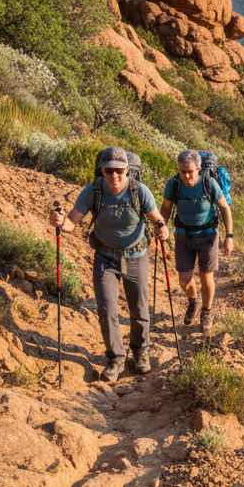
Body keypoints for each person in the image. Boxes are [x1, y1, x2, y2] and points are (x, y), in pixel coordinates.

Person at [50, 147, 168, 380]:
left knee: (139, 308)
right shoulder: (92, 191)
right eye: (109, 170)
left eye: (119, 171)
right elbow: (73, 222)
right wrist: (60, 222)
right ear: (102, 171)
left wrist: (162, 230)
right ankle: (116, 358)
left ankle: (141, 352)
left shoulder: (139, 191)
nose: (114, 176)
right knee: (106, 309)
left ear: (127, 170)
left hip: (136, 256)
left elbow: (157, 219)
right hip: (105, 257)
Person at [160, 149, 234, 330]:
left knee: (205, 276)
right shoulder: (174, 184)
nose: (186, 175)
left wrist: (229, 237)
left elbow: (225, 209)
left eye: (190, 171)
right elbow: (166, 208)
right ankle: (193, 301)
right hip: (183, 236)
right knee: (184, 280)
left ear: (199, 169)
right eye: (182, 171)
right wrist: (160, 227)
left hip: (207, 235)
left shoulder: (209, 184)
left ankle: (206, 311)